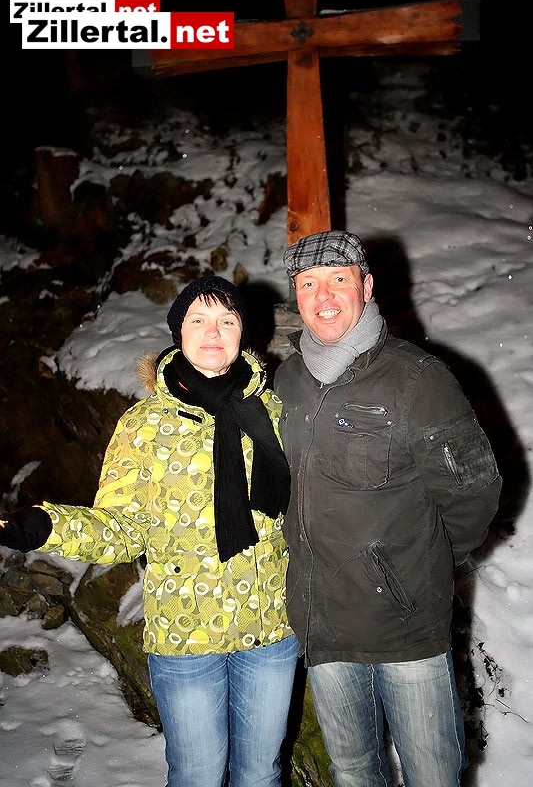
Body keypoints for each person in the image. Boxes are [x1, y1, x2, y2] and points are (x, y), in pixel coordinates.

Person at [0, 275, 298, 787]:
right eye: (198, 320)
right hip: (185, 635)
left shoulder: (273, 411)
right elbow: (123, 530)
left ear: (242, 332)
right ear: (178, 332)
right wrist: (48, 526)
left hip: (269, 629)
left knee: (261, 773)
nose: (213, 332)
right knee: (197, 774)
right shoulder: (144, 425)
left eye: (226, 320)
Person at [273, 230, 502, 787]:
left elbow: (474, 492)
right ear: (296, 295)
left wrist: (411, 570)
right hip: (323, 623)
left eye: (339, 280)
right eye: (308, 283)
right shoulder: (287, 380)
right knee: (354, 772)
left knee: (432, 775)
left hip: (406, 630)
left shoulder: (418, 379)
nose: (324, 296)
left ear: (367, 286)